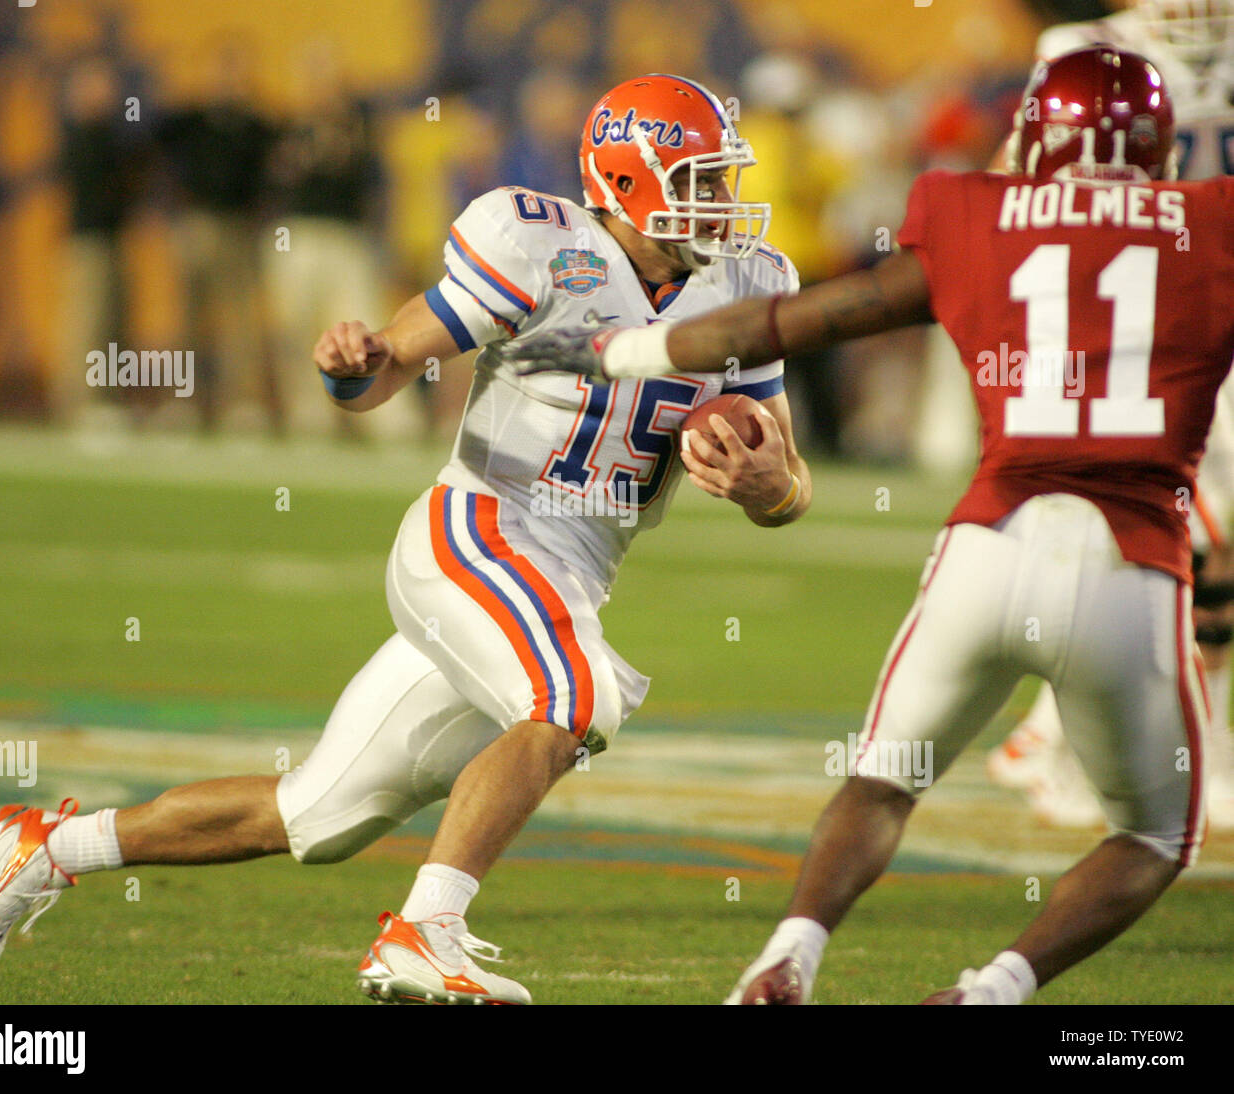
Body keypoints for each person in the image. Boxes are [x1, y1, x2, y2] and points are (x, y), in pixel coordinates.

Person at [0, 74, 808, 1004]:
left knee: (320, 813)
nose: (723, 202)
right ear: (631, 183)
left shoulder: (748, 284)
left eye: (724, 179)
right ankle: (424, 931)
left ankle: (44, 847)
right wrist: (351, 368)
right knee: (574, 693)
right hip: (478, 532)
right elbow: (387, 368)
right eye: (702, 179)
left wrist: (774, 487)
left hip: (572, 577)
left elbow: (786, 484)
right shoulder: (542, 244)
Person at [510, 46, 1227, 1004]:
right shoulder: (1214, 225)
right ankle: (993, 991)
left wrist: (621, 348)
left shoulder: (976, 210)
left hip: (990, 545)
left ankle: (786, 959)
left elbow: (810, 320)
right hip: (1132, 565)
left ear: (1039, 138)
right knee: (1153, 834)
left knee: (886, 780)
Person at [981, 0, 1234, 831]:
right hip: (1138, 321)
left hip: (1211, 312)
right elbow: (1019, 173)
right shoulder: (1086, 55)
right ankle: (1067, 738)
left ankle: (1147, 741)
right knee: (1172, 539)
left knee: (1204, 548)